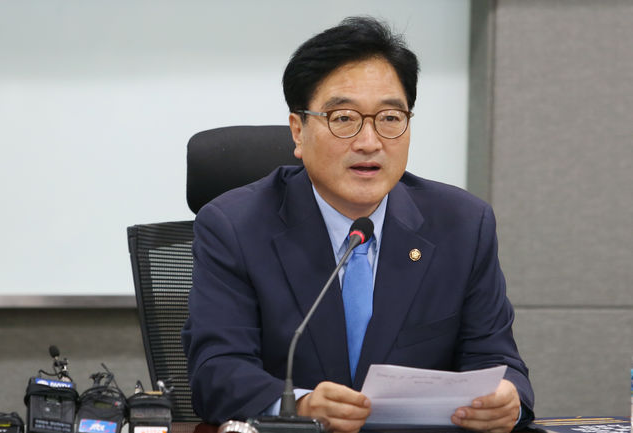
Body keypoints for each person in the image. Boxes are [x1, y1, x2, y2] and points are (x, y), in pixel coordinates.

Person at [182, 16, 534, 433]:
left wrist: (507, 400)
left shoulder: (463, 225)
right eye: (344, 118)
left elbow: (498, 361)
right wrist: (300, 405)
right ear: (298, 131)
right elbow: (216, 372)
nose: (370, 142)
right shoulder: (233, 226)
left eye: (390, 118)